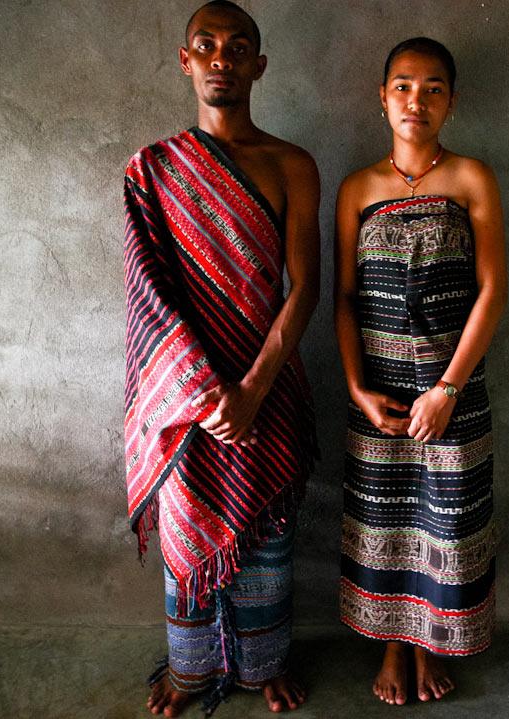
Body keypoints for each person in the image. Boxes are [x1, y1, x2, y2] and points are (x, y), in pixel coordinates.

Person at [122, 2, 320, 715]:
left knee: (267, 537)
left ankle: (265, 661)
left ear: (258, 66)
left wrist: (254, 388)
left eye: (239, 47)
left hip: (268, 387)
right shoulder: (153, 169)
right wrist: (205, 395)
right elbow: (148, 300)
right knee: (187, 538)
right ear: (186, 61)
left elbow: (305, 288)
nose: (222, 57)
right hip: (183, 399)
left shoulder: (291, 163)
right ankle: (191, 669)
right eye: (206, 45)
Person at [334, 37, 507, 706]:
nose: (416, 100)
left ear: (452, 102)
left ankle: (431, 642)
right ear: (382, 98)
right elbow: (345, 299)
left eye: (433, 88)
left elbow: (492, 290)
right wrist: (355, 386)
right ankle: (392, 644)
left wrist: (446, 390)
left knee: (446, 521)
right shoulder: (357, 188)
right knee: (386, 523)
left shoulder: (471, 179)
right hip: (377, 395)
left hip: (454, 391)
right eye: (403, 86)